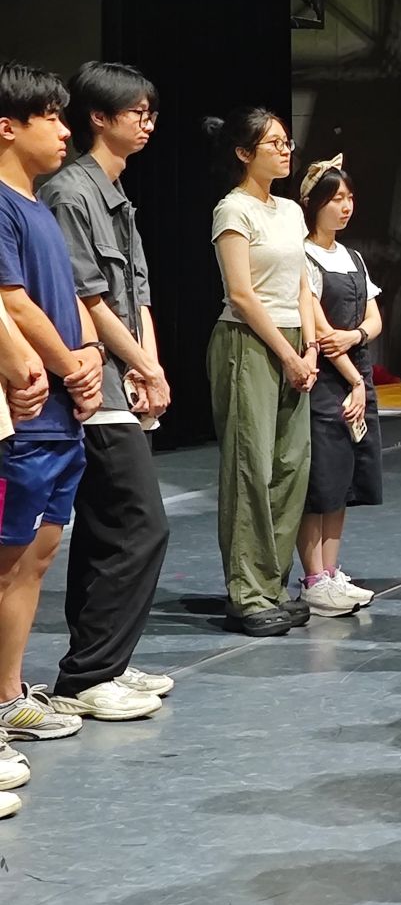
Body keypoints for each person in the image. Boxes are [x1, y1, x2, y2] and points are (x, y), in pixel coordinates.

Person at [38, 62, 176, 720]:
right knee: (139, 526)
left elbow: (136, 292)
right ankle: (89, 674)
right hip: (91, 385)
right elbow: (87, 298)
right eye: (136, 112)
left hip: (124, 376)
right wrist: (140, 366)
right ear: (100, 117)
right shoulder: (70, 192)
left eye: (151, 113)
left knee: (105, 530)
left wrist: (150, 366)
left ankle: (101, 663)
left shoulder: (117, 194)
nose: (147, 123)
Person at [206, 107, 322, 636]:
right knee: (249, 467)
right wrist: (287, 354)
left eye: (286, 141)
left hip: (295, 342)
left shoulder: (291, 212)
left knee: (291, 466)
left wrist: (310, 348)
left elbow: (300, 285)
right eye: (273, 143)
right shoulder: (233, 210)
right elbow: (241, 295)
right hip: (248, 343)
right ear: (243, 153)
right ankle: (247, 592)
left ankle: (273, 584)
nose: (285, 149)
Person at [0, 63, 86, 753]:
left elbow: (64, 299)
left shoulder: (39, 207)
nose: (63, 130)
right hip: (26, 421)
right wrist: (67, 365)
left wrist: (85, 363)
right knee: (8, 560)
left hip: (60, 419)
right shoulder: (1, 204)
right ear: (8, 127)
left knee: (38, 557)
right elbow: (14, 302)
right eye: (50, 118)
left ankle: (10, 692)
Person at [296, 155, 383, 610]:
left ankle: (332, 571)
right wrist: (353, 381)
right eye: (335, 199)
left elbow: (374, 318)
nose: (345, 206)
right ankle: (313, 578)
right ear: (314, 204)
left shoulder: (353, 256)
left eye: (349, 198)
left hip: (356, 375)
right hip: (326, 382)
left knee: (345, 479)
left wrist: (358, 336)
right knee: (320, 482)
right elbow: (322, 332)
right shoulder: (303, 256)